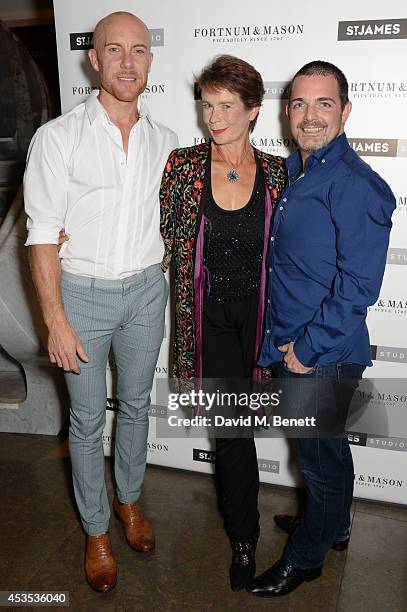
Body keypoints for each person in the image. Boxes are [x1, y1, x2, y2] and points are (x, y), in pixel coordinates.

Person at [23, 11, 178, 592]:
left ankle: (129, 501)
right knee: (87, 423)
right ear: (95, 58)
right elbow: (41, 235)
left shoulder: (168, 144)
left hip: (145, 291)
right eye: (115, 50)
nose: (127, 62)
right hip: (80, 295)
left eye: (138, 50)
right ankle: (95, 531)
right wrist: (54, 318)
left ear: (150, 61)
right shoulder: (57, 137)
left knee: (136, 405)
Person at [246, 60, 396, 598]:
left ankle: (306, 559)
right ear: (288, 113)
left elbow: (358, 289)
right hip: (299, 344)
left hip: (320, 352)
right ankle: (335, 525)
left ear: (346, 111)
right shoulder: (298, 171)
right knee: (326, 454)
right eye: (300, 104)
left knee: (319, 462)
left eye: (324, 104)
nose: (310, 117)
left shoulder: (355, 185)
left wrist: (304, 353)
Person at [160, 55, 286, 591]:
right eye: (207, 105)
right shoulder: (183, 166)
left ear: (253, 110)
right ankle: (244, 538)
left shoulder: (280, 172)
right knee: (233, 432)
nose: (214, 117)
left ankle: (327, 516)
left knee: (296, 419)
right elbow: (160, 236)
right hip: (208, 321)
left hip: (265, 320)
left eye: (227, 106)